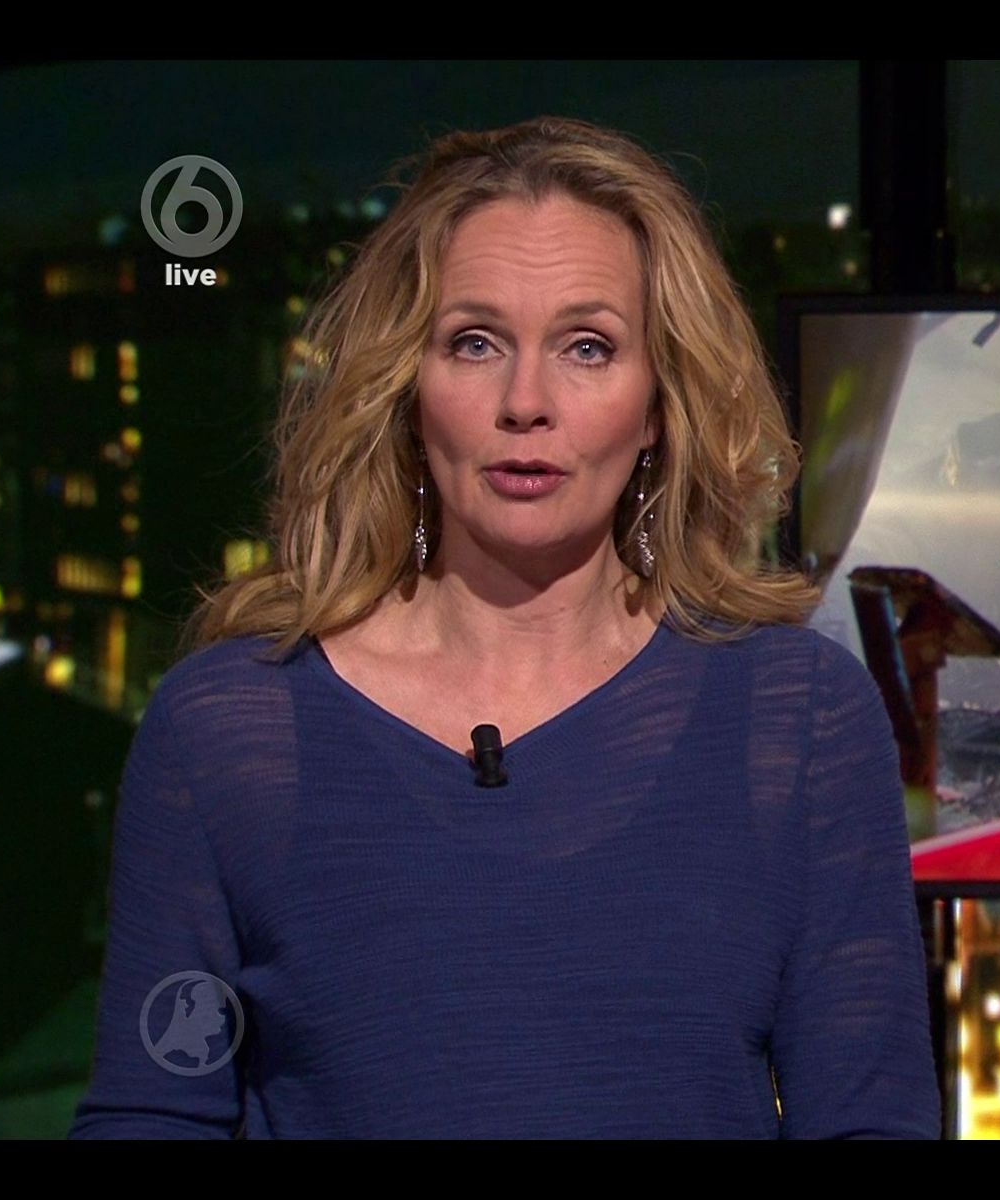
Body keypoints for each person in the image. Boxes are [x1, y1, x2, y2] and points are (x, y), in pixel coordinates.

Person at [68, 117, 940, 1139]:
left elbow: (869, 1121)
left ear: (659, 404)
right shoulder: (226, 731)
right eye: (474, 343)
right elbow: (151, 1115)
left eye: (588, 347)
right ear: (407, 388)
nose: (526, 402)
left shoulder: (799, 720)